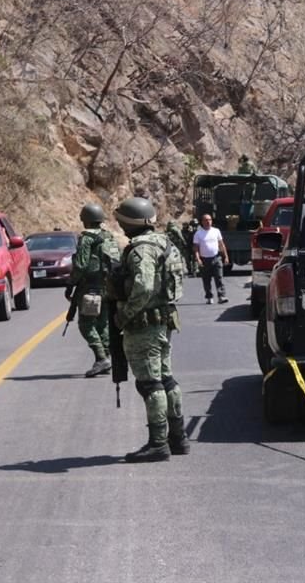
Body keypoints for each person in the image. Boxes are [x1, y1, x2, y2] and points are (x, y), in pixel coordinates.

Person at [112, 197, 190, 462]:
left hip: (144, 324)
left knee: (150, 384)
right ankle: (178, 438)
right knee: (166, 379)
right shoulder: (165, 243)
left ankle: (158, 443)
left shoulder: (141, 249)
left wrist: (124, 314)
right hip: (164, 321)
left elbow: (143, 287)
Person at [67, 203, 121, 378]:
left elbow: (81, 265)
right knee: (103, 323)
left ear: (86, 220)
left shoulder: (87, 239)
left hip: (90, 289)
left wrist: (70, 283)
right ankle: (106, 357)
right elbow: (116, 261)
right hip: (108, 289)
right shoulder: (109, 237)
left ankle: (101, 357)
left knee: (86, 325)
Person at [193, 213, 229, 304]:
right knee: (206, 279)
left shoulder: (216, 231)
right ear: (202, 222)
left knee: (219, 278)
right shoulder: (198, 233)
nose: (208, 222)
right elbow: (196, 248)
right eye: (206, 220)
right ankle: (209, 296)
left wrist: (226, 257)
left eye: (210, 220)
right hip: (204, 259)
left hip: (216, 258)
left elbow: (221, 244)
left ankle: (221, 296)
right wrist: (198, 259)